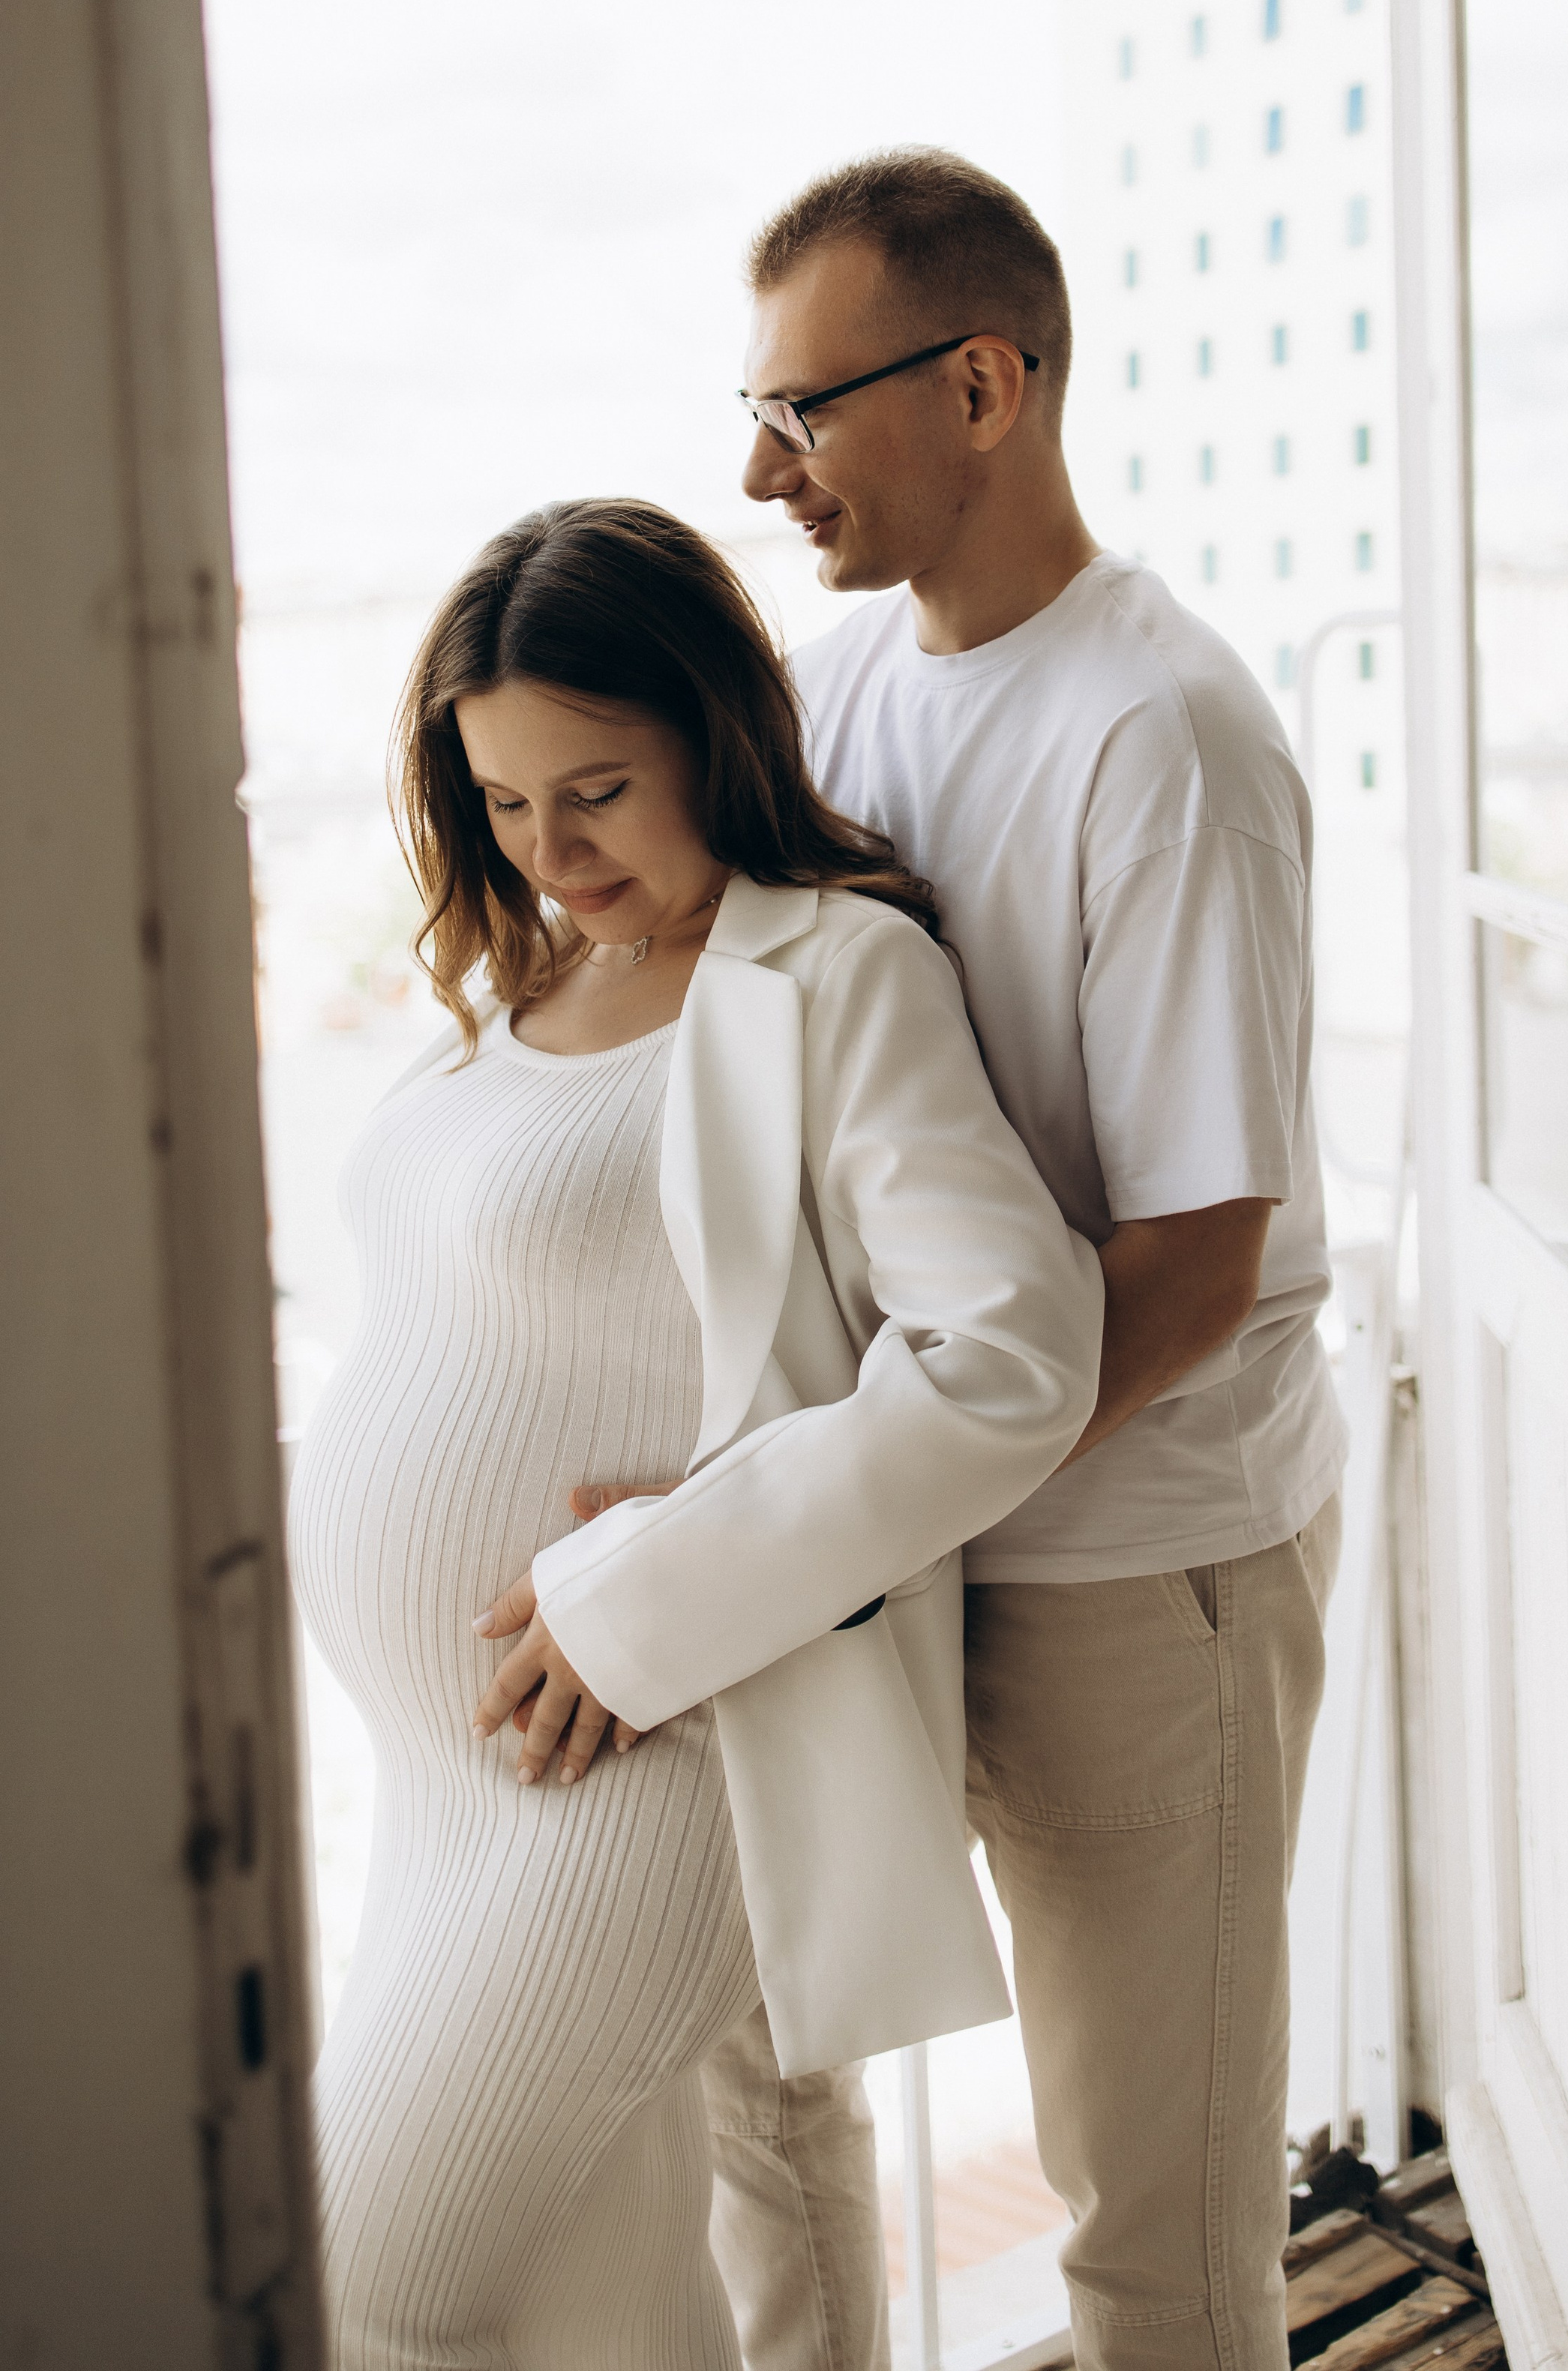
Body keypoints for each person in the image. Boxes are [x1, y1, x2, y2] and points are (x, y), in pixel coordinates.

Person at [578, 150, 1348, 2371]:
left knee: (1151, 2228)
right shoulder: (826, 694)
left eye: (804, 411)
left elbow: (1194, 1267)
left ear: (987, 383)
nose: (758, 467)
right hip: (915, 1548)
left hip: (1141, 1575)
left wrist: (821, 1528)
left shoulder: (1169, 734)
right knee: (778, 2115)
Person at [288, 497, 1102, 2368]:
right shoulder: (527, 981)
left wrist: (645, 1588)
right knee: (603, 2321)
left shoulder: (831, 976)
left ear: (711, 737)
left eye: (594, 790)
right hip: (448, 1776)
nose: (547, 849)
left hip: (651, 1757)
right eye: (498, 800)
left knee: (364, 2281)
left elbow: (1008, 1357)